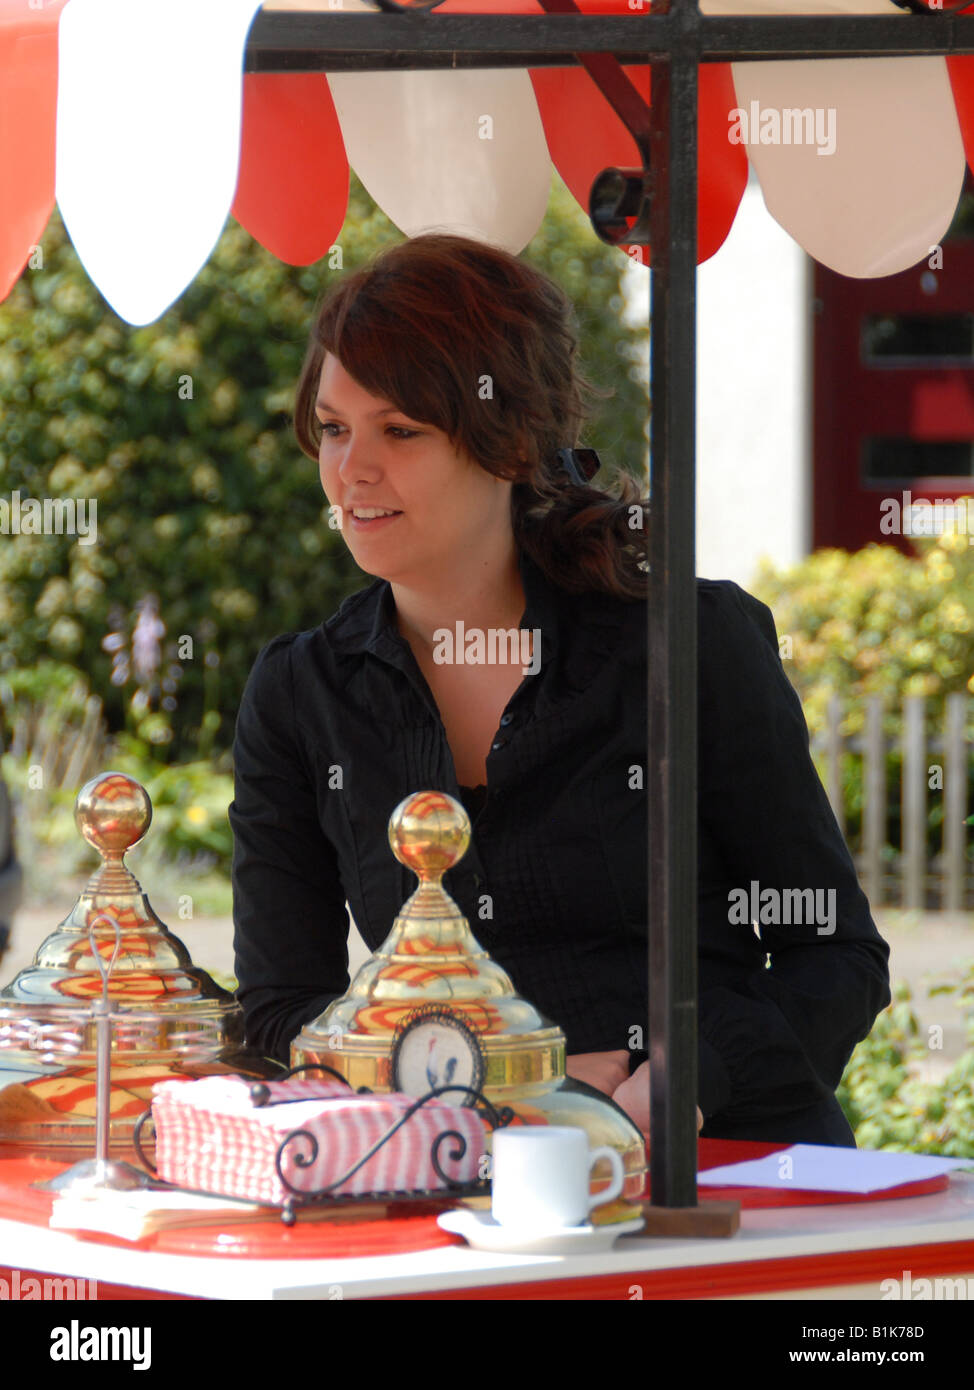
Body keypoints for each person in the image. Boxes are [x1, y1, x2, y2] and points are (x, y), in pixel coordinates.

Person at [229, 232, 891, 1146]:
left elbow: (836, 955)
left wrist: (676, 1083)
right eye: (334, 429)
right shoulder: (299, 695)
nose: (352, 471)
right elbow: (279, 1013)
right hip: (455, 1192)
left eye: (401, 431)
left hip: (727, 1176)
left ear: (509, 442)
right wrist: (496, 1083)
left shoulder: (686, 647)